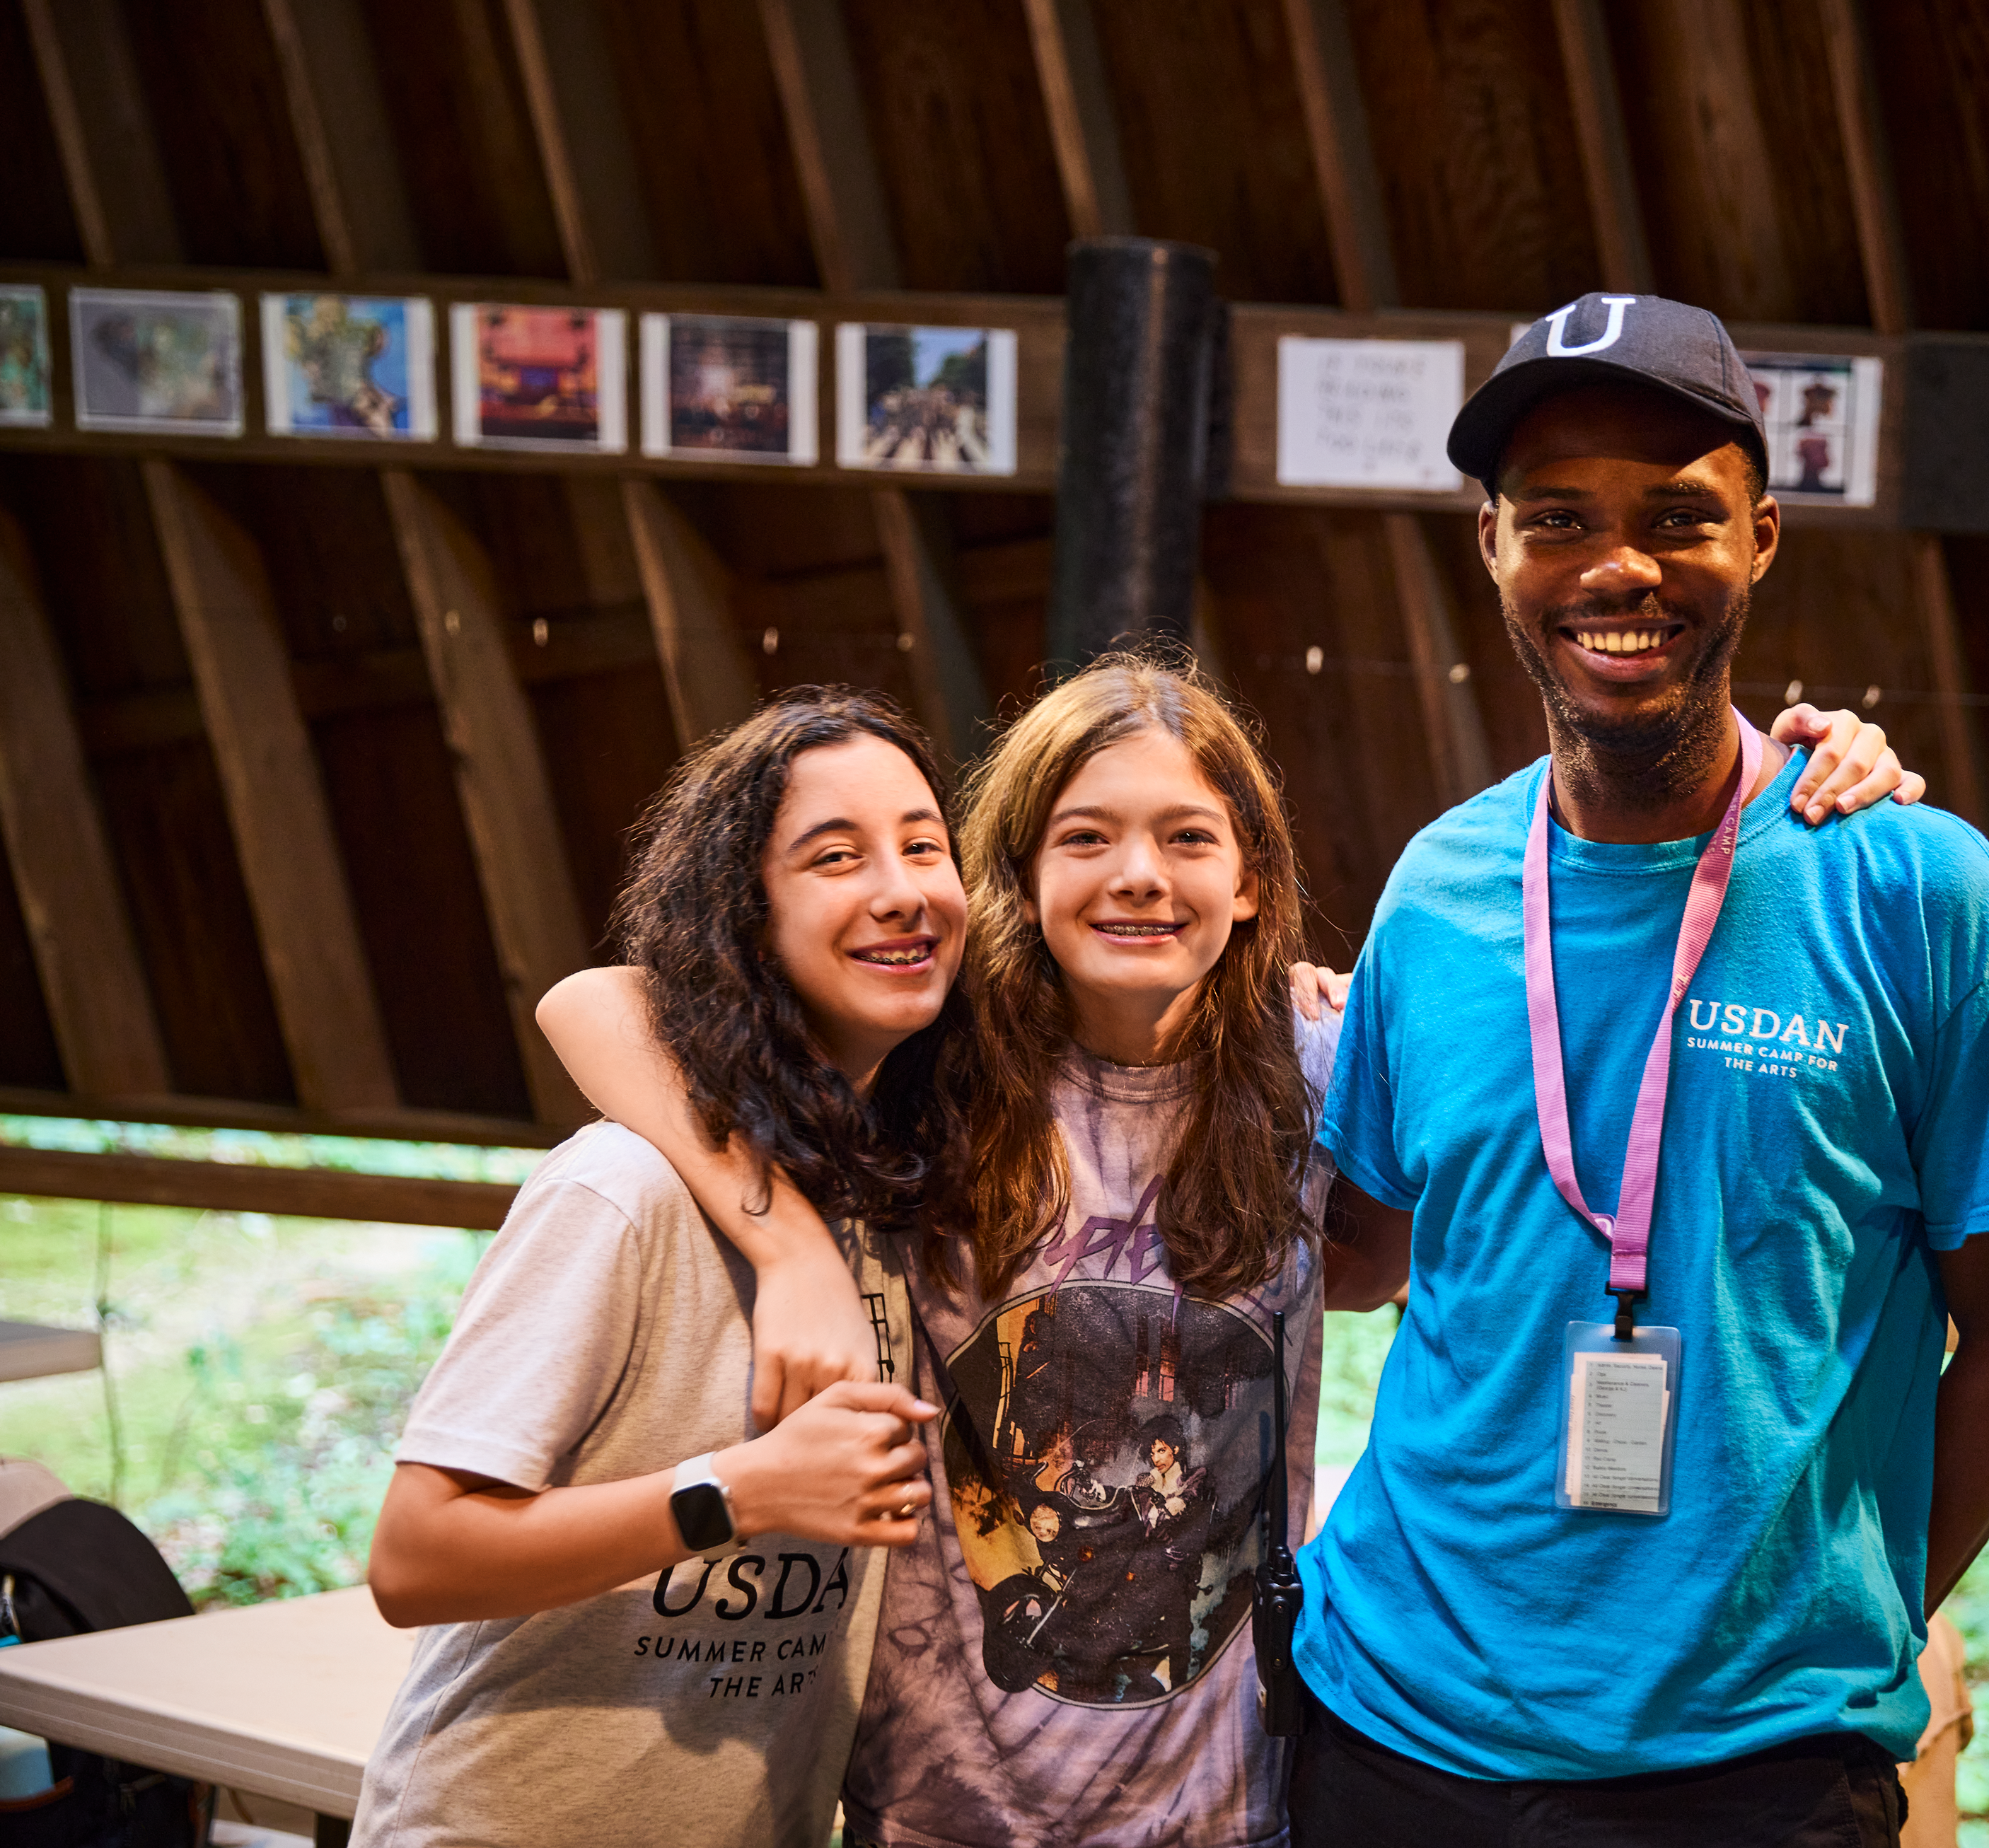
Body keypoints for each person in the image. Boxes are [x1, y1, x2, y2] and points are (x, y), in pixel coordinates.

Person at [537, 654, 1915, 1844]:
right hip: (944, 1802)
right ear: (1017, 865)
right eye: (1087, 836)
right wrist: (789, 1255)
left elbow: (1421, 1195)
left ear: (1253, 878)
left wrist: (1786, 773)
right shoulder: (933, 1054)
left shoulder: (1316, 1055)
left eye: (1189, 838)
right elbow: (598, 1000)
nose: (1140, 873)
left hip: (1236, 1799)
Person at [1287, 294, 1989, 1847]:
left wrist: (1830, 1612)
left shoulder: (1918, 891)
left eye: (1678, 518)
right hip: (1387, 1724)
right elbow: (1368, 1257)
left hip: (1753, 1772)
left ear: (1764, 538)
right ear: (1494, 548)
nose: (1618, 568)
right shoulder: (1441, 882)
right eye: (1560, 519)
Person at [354, 690, 951, 1848]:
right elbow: (415, 1556)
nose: (899, 887)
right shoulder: (621, 1191)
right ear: (743, 916)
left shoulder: (910, 1191)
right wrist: (740, 1489)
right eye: (835, 856)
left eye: (923, 844)